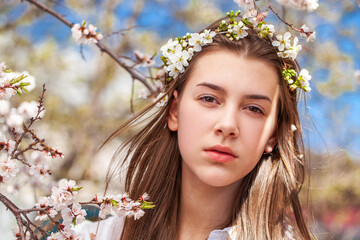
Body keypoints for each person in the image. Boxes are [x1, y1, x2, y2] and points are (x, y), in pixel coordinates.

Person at [77, 10, 313, 240]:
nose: (228, 125)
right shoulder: (94, 235)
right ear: (174, 111)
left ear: (272, 135)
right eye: (209, 99)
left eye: (254, 109)